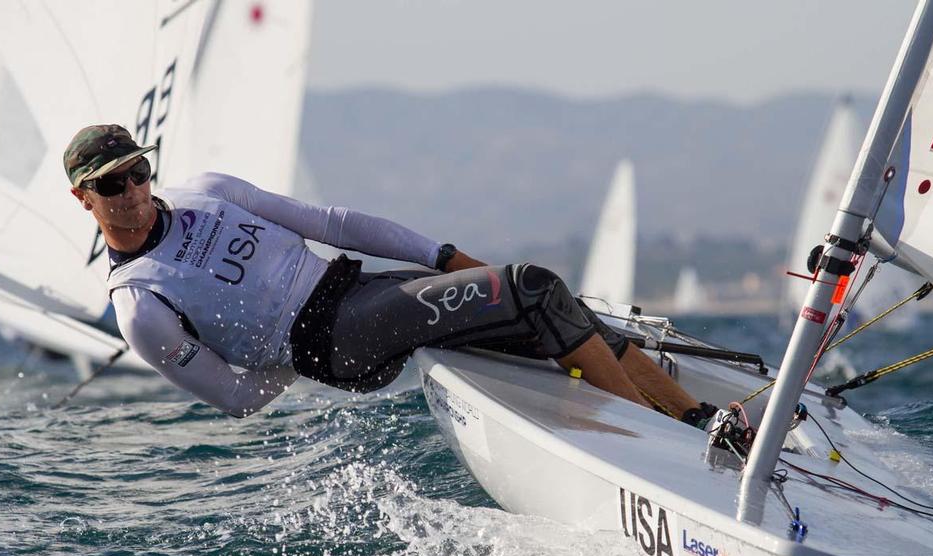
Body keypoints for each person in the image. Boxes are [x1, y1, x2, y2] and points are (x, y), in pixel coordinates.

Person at [65, 124, 711, 424]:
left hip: (359, 292)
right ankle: (656, 439)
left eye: (138, 172)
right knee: (530, 288)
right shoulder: (139, 304)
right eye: (110, 184)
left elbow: (333, 222)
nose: (132, 191)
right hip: (332, 341)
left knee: (557, 310)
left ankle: (690, 417)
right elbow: (235, 398)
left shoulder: (209, 190)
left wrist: (442, 256)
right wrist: (290, 354)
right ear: (84, 199)